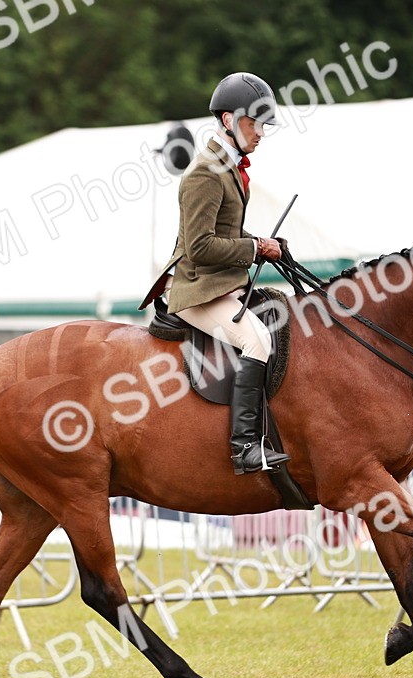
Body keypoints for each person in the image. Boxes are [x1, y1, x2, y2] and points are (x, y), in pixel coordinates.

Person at [142, 72, 290, 475]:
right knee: (256, 341)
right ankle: (245, 447)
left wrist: (263, 243)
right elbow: (200, 247)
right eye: (254, 123)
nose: (260, 133)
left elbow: (225, 231)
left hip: (221, 283)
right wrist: (254, 249)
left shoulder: (227, 167)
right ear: (229, 120)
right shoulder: (205, 173)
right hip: (196, 289)